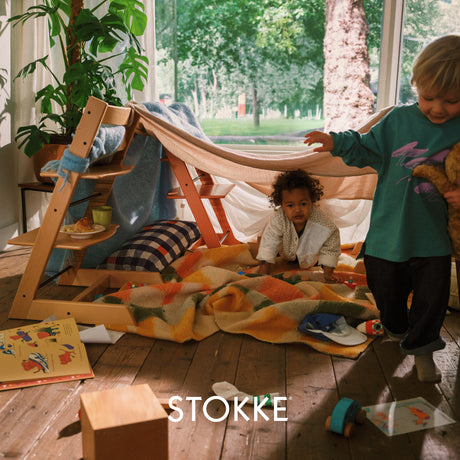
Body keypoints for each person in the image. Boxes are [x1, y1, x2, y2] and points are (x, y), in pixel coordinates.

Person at [304, 34, 460, 383]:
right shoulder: (398, 121)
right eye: (428, 97)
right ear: (416, 86)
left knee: (431, 301)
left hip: (434, 240)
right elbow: (364, 148)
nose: (437, 108)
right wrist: (335, 141)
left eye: (451, 101)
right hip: (389, 234)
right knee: (385, 288)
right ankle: (394, 327)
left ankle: (423, 351)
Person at [256, 169, 341, 282]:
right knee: (269, 255)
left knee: (325, 260)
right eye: (290, 205)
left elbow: (331, 245)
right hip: (285, 255)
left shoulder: (324, 223)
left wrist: (329, 273)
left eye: (303, 204)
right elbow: (269, 242)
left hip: (310, 259)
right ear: (282, 205)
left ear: (312, 201)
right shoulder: (278, 219)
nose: (297, 210)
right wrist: (262, 273)